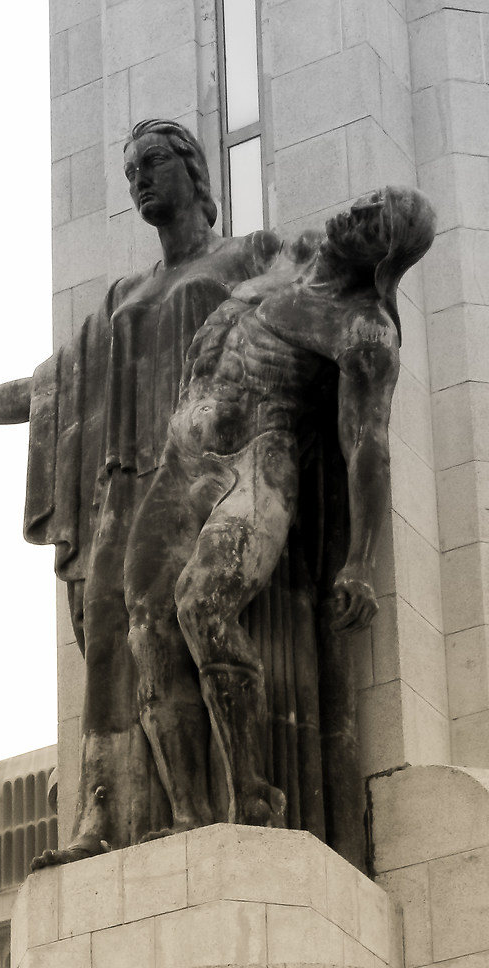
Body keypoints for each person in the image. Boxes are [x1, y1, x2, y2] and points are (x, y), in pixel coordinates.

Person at [0, 122, 372, 860]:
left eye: (153, 163)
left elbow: (327, 322)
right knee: (111, 647)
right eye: (129, 168)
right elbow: (48, 388)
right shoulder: (121, 299)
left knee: (197, 620)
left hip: (219, 468)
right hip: (128, 487)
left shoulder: (250, 256)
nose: (138, 178)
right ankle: (105, 815)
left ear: (194, 172)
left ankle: (228, 802)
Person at [124, 187, 435, 833]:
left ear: (384, 254)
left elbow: (367, 448)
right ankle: (187, 811)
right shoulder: (291, 255)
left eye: (373, 218)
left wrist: (360, 563)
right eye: (364, 201)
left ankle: (253, 790)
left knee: (202, 605)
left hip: (258, 462)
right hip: (184, 458)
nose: (354, 210)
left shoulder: (364, 329)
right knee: (146, 622)